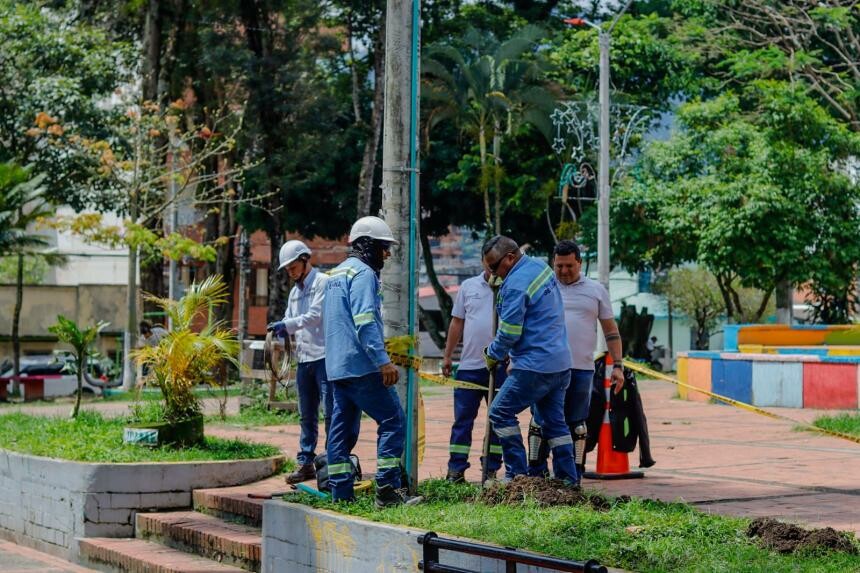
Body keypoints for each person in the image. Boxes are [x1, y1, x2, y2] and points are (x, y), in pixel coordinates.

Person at [323, 216, 421, 507]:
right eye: (383, 247)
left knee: (340, 430)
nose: (387, 254)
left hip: (337, 367)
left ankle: (341, 494)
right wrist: (383, 362)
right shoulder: (363, 274)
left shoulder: (335, 275)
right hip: (362, 366)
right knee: (393, 421)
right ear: (366, 246)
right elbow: (365, 322)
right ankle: (388, 490)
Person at [481, 235, 579, 485]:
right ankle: (568, 480)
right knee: (555, 424)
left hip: (534, 366)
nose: (491, 273)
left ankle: (517, 475)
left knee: (500, 412)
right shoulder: (540, 267)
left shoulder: (515, 284)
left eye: (494, 267)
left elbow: (510, 333)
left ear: (510, 258)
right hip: (560, 363)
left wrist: (492, 354)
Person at [528, 240, 625, 478]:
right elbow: (524, 325)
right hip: (545, 369)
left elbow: (611, 331)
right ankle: (535, 476)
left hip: (581, 368)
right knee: (540, 423)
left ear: (580, 263)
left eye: (569, 266)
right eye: (559, 266)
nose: (564, 271)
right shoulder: (543, 288)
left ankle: (573, 477)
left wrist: (618, 365)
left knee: (577, 425)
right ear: (553, 263)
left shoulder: (596, 290)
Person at [267, 239, 330, 485]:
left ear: (305, 260)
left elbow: (315, 317)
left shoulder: (322, 283)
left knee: (330, 414)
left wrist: (288, 325)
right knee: (306, 414)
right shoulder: (295, 292)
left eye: (293, 267)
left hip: (324, 357)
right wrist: (279, 330)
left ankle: (332, 462)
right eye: (288, 269)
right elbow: (290, 319)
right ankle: (306, 463)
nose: (291, 272)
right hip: (305, 359)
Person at [441, 264, 506, 484]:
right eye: (490, 262)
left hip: (500, 368)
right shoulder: (468, 287)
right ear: (483, 261)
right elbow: (457, 322)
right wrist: (448, 355)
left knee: (497, 421)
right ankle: (455, 469)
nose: (493, 267)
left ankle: (490, 469)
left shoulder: (510, 288)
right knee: (462, 421)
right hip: (469, 367)